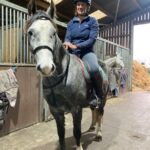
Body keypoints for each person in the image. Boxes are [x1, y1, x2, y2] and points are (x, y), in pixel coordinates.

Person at [63, 0, 108, 107]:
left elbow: (91, 40)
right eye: (78, 4)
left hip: (86, 52)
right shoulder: (71, 23)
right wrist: (66, 43)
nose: (80, 6)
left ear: (87, 7)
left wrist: (77, 46)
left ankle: (97, 95)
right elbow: (67, 38)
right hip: (72, 53)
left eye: (83, 4)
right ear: (76, 7)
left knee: (93, 68)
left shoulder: (92, 21)